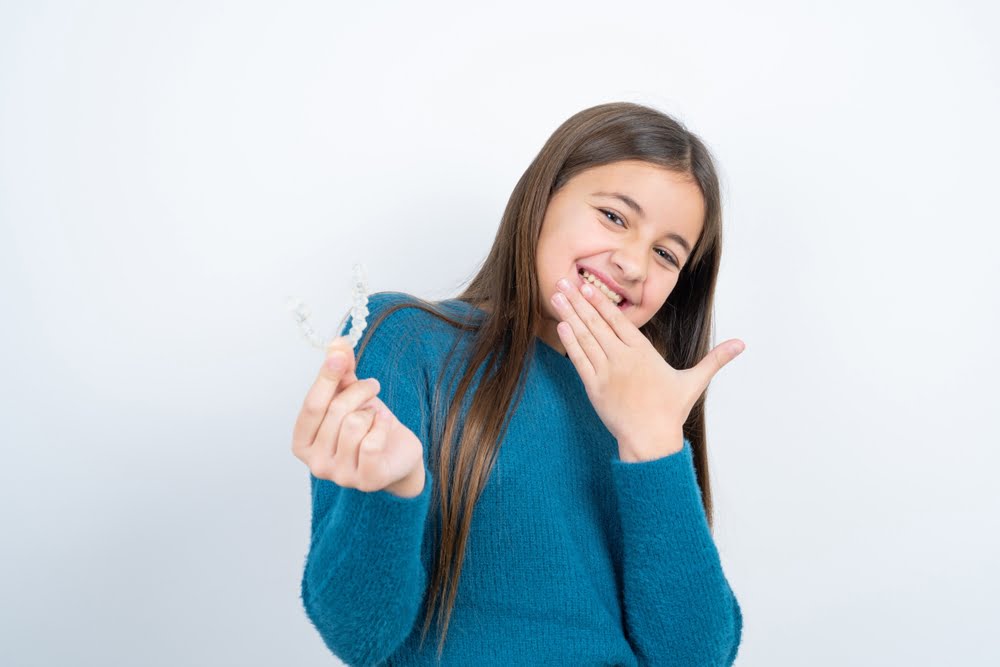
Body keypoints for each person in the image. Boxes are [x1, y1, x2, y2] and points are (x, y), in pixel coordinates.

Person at [291, 101, 746, 666]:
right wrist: (392, 490)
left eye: (665, 253)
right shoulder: (406, 340)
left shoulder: (643, 409)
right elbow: (359, 634)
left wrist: (654, 445)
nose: (633, 263)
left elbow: (695, 657)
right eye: (613, 216)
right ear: (542, 198)